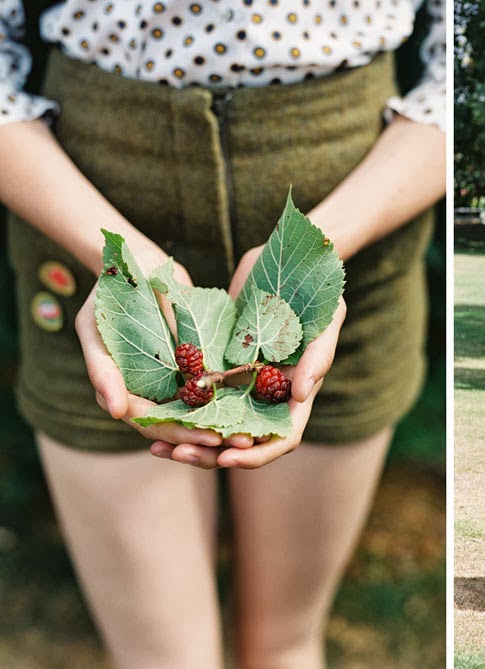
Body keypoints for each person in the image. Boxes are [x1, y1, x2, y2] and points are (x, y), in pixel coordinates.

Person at [0, 1, 446, 666]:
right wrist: (119, 263)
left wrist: (313, 257)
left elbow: (453, 75)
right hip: (84, 207)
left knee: (286, 646)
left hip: (355, 219)